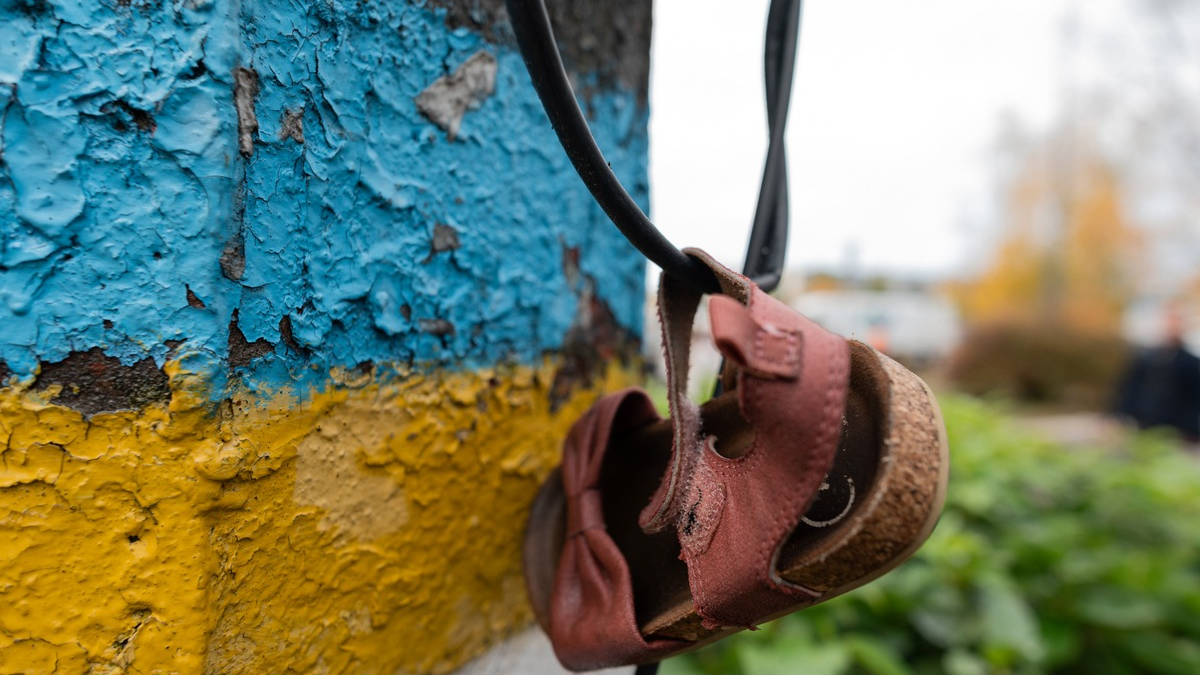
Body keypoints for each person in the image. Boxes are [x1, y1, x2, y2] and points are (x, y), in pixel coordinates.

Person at [1115, 304, 1200, 443]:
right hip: (1145, 424)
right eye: (1169, 320)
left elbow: (1195, 398)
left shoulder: (1191, 362)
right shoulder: (1145, 358)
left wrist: (1191, 430)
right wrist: (1121, 415)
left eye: (1176, 321)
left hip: (1177, 430)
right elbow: (1130, 389)